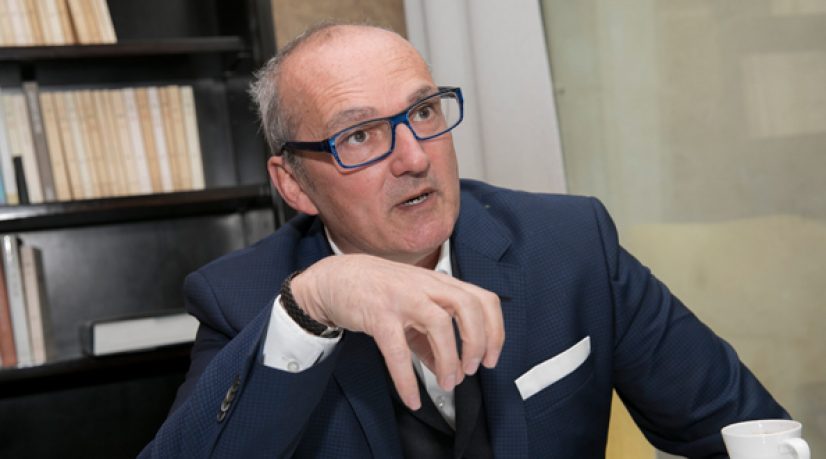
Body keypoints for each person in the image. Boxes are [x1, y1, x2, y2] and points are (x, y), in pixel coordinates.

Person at [140, 22, 787, 458]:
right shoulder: (245, 299)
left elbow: (748, 428)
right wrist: (313, 306)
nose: (415, 157)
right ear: (294, 184)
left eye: (423, 111)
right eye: (359, 135)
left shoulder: (569, 244)